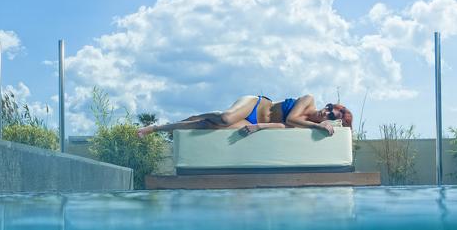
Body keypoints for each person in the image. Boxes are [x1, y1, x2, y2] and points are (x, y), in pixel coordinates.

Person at [137, 94, 352, 137]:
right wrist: (318, 125)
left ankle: (155, 128)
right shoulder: (308, 100)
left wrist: (258, 127)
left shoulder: (303, 126)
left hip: (254, 121)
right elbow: (289, 120)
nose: (326, 111)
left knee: (207, 126)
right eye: (329, 107)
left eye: (331, 115)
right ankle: (197, 114)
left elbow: (281, 126)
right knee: (225, 118)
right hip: (255, 105)